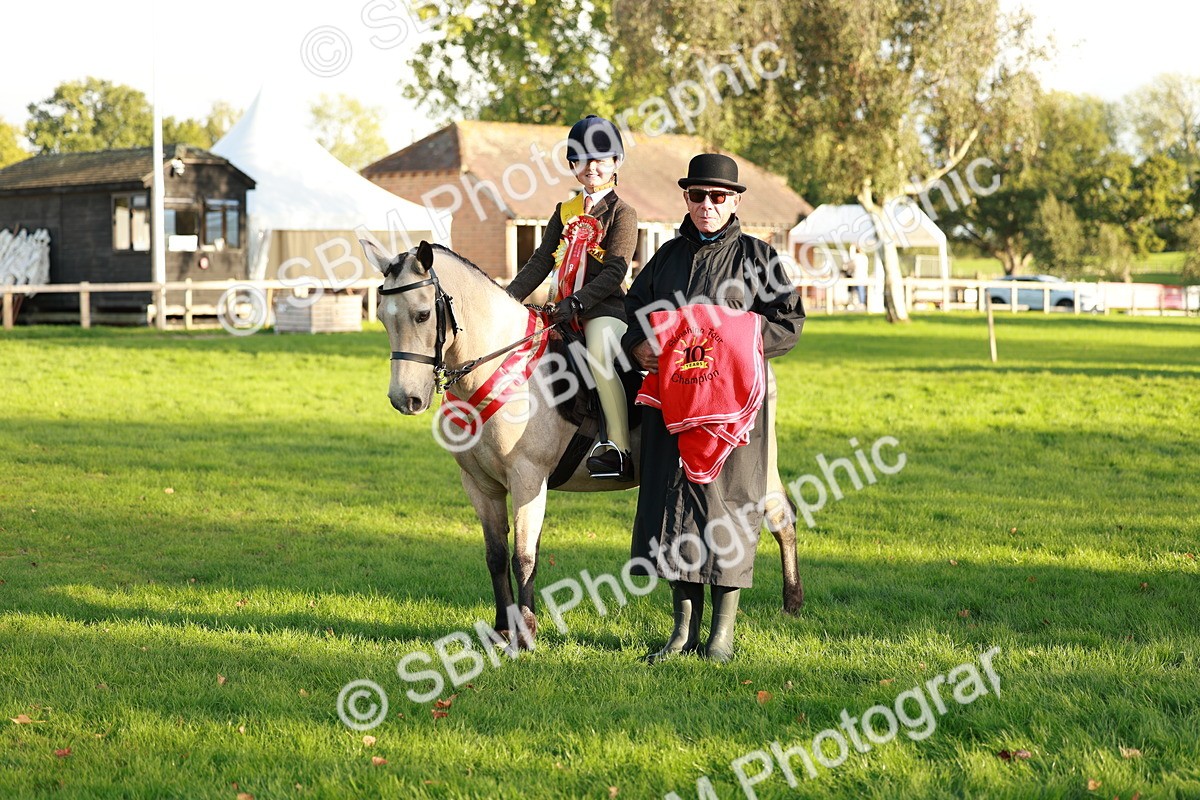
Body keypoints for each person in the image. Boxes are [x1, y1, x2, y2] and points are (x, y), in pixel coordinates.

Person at [621, 153, 805, 663]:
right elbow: (633, 314)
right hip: (673, 403)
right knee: (672, 507)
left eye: (718, 197)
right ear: (686, 198)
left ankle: (721, 635)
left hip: (732, 410)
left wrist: (733, 335)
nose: (707, 205)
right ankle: (682, 632)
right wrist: (641, 345)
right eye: (697, 196)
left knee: (728, 509)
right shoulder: (665, 258)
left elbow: (788, 321)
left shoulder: (758, 258)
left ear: (735, 201)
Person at [505, 115, 639, 480]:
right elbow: (540, 261)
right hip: (560, 307)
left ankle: (619, 449)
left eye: (600, 159)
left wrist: (577, 304)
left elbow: (616, 271)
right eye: (581, 159)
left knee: (598, 354)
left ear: (616, 163)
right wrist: (507, 298)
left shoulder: (623, 214)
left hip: (605, 308)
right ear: (572, 166)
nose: (591, 166)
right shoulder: (564, 212)